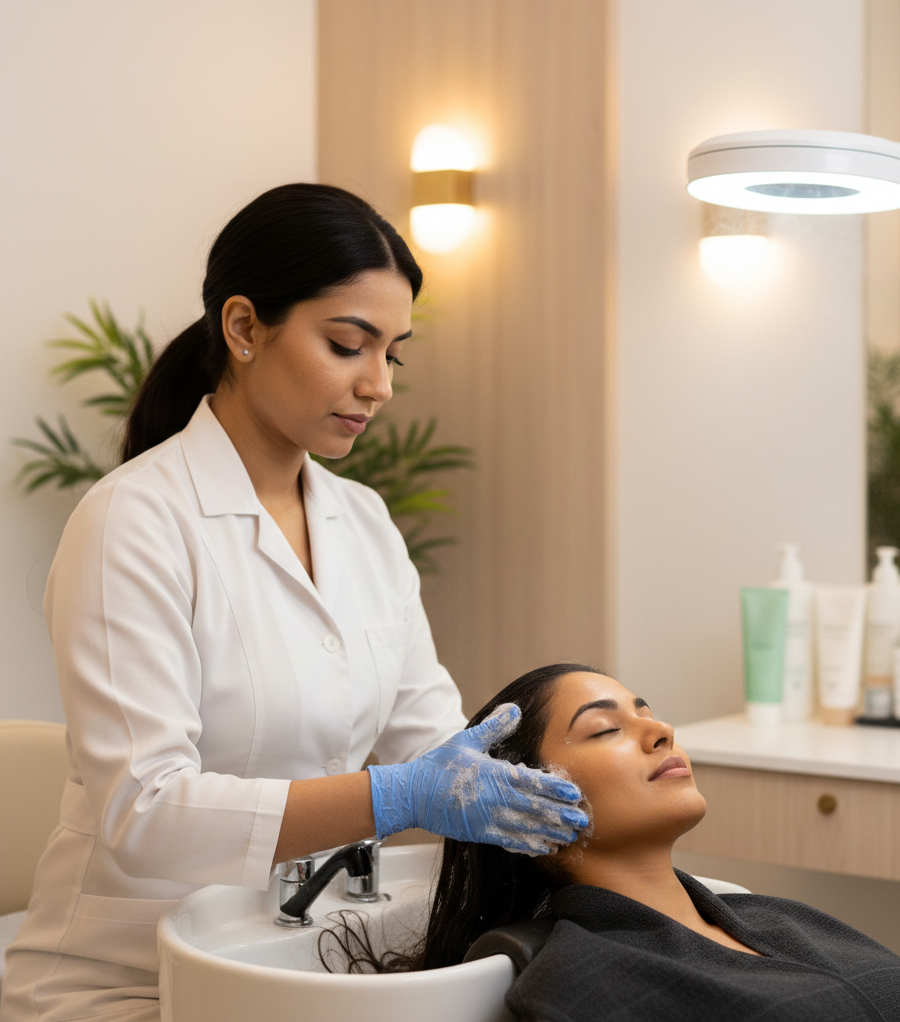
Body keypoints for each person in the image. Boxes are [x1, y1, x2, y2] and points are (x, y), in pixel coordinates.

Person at [0, 184, 587, 1022]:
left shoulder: (364, 522)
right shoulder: (133, 520)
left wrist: (560, 792)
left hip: (294, 957)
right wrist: (394, 796)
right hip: (126, 983)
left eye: (394, 354)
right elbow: (146, 810)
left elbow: (430, 741)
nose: (378, 385)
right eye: (348, 345)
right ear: (244, 328)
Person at [328, 663, 900, 1021]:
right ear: (521, 800)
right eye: (605, 729)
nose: (662, 731)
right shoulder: (589, 986)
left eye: (647, 714)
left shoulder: (783, 919)